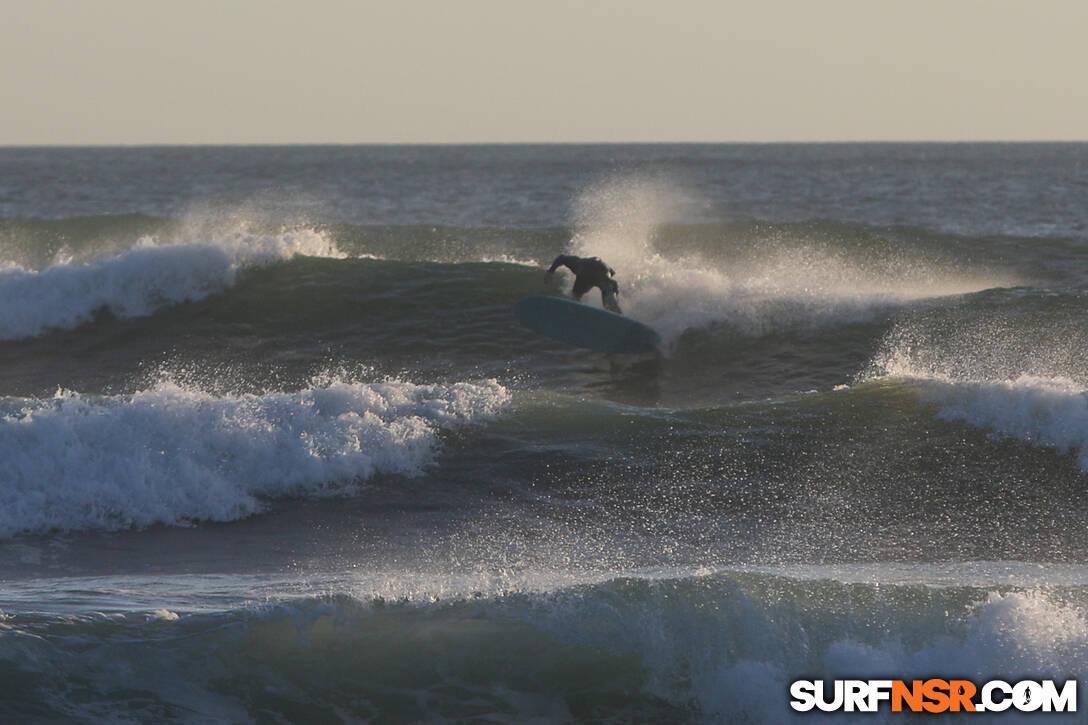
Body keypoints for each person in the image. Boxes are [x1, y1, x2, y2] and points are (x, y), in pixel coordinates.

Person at [547, 254, 622, 313]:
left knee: (609, 303)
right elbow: (561, 258)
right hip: (585, 271)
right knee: (575, 297)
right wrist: (550, 271)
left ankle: (618, 315)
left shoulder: (603, 276)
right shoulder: (577, 264)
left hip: (592, 272)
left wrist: (550, 272)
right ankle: (575, 314)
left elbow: (614, 283)